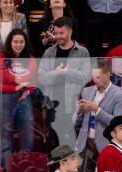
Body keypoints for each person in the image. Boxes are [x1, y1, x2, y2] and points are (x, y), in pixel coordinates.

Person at [38, 17, 91, 147]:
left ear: (70, 32)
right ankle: (56, 167)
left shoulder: (82, 52)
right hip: (52, 105)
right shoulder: (49, 52)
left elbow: (87, 77)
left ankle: (69, 167)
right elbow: (41, 77)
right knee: (53, 143)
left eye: (61, 33)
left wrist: (68, 72)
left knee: (69, 143)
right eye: (56, 33)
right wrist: (55, 73)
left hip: (72, 106)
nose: (58, 36)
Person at [0, 29, 36, 167]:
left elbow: (33, 82)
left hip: (24, 99)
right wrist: (14, 88)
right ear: (10, 42)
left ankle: (22, 169)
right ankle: (6, 171)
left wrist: (27, 92)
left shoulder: (30, 59)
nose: (18, 45)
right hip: (4, 98)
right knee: (4, 139)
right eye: (15, 41)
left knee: (28, 137)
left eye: (21, 42)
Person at [73, 59, 122, 172]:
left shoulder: (120, 95)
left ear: (108, 74)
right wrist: (79, 111)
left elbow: (117, 123)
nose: (95, 80)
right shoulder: (86, 91)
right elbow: (75, 123)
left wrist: (96, 110)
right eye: (93, 77)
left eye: (98, 77)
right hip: (84, 145)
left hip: (106, 146)